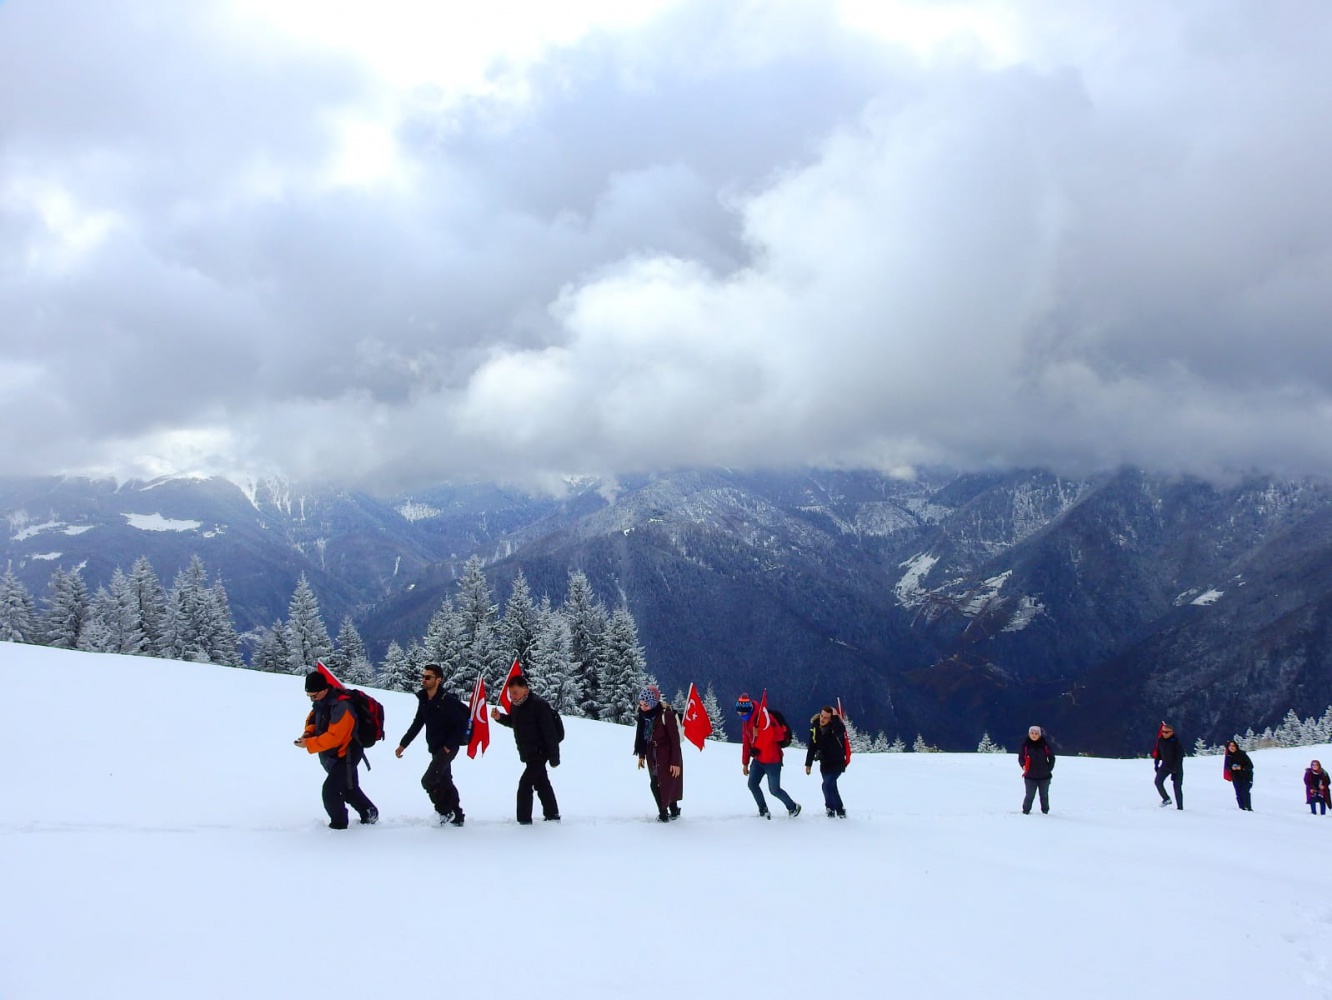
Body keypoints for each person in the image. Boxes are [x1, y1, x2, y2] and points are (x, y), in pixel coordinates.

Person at [295, 670, 378, 829]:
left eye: (314, 695)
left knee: (330, 791)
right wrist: (308, 733)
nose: (312, 699)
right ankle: (370, 813)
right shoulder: (322, 703)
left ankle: (338, 827)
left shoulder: (342, 706)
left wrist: (309, 743)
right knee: (349, 788)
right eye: (309, 696)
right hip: (338, 754)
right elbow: (315, 721)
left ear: (324, 690)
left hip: (348, 753)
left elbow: (335, 737)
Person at [395, 663, 470, 826]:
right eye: (423, 677)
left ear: (438, 680)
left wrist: (449, 746)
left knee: (428, 780)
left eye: (428, 677)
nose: (424, 680)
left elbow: (461, 725)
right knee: (445, 781)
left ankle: (444, 812)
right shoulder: (424, 699)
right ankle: (457, 816)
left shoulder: (447, 700)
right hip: (435, 747)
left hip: (447, 747)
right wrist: (403, 744)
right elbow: (418, 723)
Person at [491, 675, 561, 824]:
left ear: (525, 689)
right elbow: (515, 723)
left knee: (525, 784)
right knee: (541, 783)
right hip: (528, 753)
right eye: (510, 693)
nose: (512, 696)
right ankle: (552, 815)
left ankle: (524, 821)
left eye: (515, 692)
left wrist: (554, 759)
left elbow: (550, 734)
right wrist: (500, 717)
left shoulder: (538, 705)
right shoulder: (516, 706)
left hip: (540, 753)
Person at [736, 692, 800, 819]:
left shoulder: (765, 717)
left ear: (749, 710)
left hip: (772, 760)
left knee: (774, 790)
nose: (741, 716)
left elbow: (777, 735)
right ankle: (763, 810)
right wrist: (745, 762)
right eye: (739, 713)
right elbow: (746, 741)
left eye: (743, 713)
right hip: (758, 760)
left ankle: (793, 807)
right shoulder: (747, 721)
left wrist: (758, 742)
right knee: (752, 784)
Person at [633, 685, 683, 822]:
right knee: (665, 782)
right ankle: (673, 810)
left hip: (666, 755)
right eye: (641, 704)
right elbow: (642, 737)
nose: (642, 707)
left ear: (653, 703)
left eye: (645, 705)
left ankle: (663, 814)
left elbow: (674, 740)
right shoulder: (644, 716)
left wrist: (675, 762)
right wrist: (641, 755)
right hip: (652, 754)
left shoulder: (666, 715)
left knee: (661, 783)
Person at [804, 706, 848, 818]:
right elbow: (812, 747)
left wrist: (836, 717)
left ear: (831, 718)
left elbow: (841, 730)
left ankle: (830, 808)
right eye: (822, 716)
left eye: (826, 717)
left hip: (837, 763)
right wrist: (808, 764)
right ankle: (840, 810)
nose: (822, 719)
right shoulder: (815, 727)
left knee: (826, 785)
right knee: (832, 787)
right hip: (825, 763)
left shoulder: (835, 727)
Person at [1018, 725, 1055, 815]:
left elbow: (1052, 758)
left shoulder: (1045, 745)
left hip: (1044, 776)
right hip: (1030, 776)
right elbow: (1021, 758)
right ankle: (1026, 811)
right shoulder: (1025, 746)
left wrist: (1048, 769)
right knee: (1029, 795)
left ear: (1039, 735)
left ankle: (1045, 812)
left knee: (1044, 796)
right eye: (1032, 733)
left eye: (1036, 733)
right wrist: (1023, 765)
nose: (1034, 735)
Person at [1152, 721, 1184, 809]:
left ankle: (1180, 808)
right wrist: (1156, 763)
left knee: (1177, 787)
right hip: (1165, 765)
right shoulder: (1161, 740)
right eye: (1163, 731)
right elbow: (1158, 753)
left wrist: (1175, 769)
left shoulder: (1176, 742)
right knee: (1158, 782)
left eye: (1166, 732)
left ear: (1171, 732)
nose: (1164, 734)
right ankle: (1166, 799)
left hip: (1176, 767)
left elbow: (1180, 757)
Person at [1222, 740, 1254, 811]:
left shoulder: (1242, 754)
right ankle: (1241, 808)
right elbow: (1227, 767)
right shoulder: (1228, 756)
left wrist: (1241, 767)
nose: (1232, 747)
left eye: (1233, 746)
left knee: (1245, 792)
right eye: (1230, 746)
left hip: (1246, 777)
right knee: (1238, 793)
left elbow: (1250, 766)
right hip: (1236, 777)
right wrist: (1231, 768)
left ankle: (1248, 808)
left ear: (1236, 746)